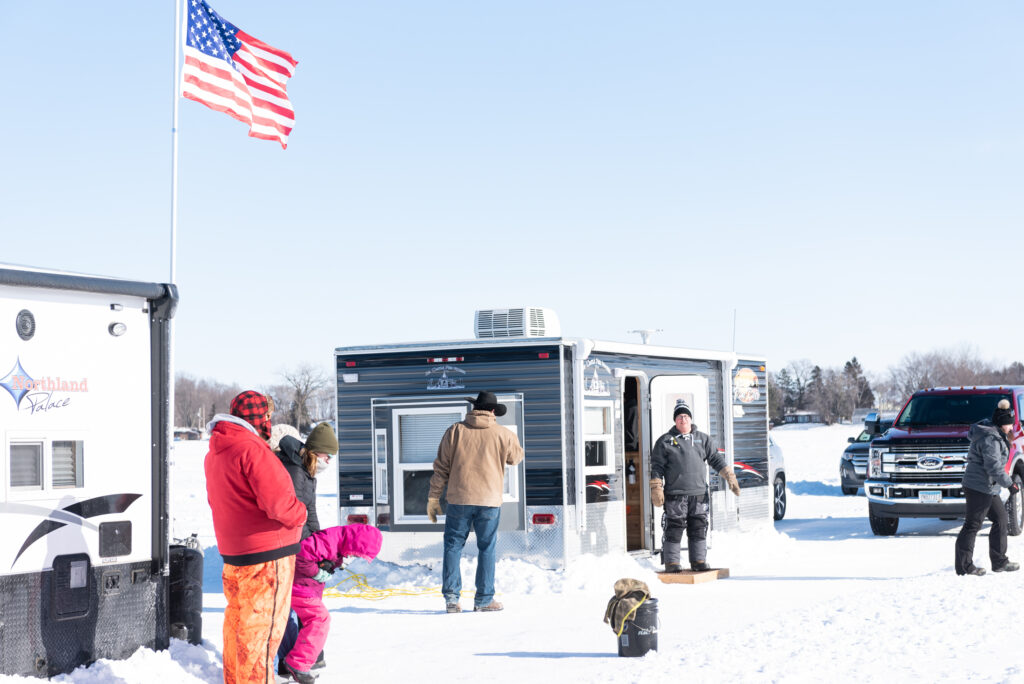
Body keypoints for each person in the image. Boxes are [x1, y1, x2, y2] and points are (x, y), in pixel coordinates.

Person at [205, 390, 306, 684]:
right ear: (257, 418)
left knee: (238, 624)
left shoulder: (217, 450)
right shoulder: (252, 449)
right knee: (262, 632)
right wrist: (300, 513)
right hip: (267, 557)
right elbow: (279, 505)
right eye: (266, 416)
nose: (269, 422)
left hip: (235, 554)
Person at [426, 390, 524, 613]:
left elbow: (441, 468)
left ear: (473, 409)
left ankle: (452, 599)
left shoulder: (455, 431)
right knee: (486, 548)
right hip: (489, 501)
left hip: (459, 500)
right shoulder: (504, 434)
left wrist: (433, 497)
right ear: (492, 411)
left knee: (453, 547)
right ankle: (483, 600)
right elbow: (516, 458)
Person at [274, 422, 339, 676]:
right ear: (315, 451)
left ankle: (305, 654)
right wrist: (310, 553)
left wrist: (321, 547)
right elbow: (295, 518)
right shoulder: (295, 471)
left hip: (297, 545)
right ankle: (291, 659)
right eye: (327, 456)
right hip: (284, 547)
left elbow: (311, 515)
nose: (329, 462)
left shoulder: (307, 470)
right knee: (292, 607)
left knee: (303, 599)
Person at [284, 524, 383, 684]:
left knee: (310, 620)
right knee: (319, 619)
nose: (353, 557)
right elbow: (301, 557)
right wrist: (317, 572)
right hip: (299, 586)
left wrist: (331, 565)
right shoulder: (328, 541)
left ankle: (304, 658)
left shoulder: (338, 542)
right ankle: (297, 664)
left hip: (307, 586)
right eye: (356, 553)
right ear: (354, 542)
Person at [649, 399, 740, 573]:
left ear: (690, 419)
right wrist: (656, 487)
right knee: (674, 528)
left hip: (699, 494)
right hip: (675, 495)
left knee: (698, 527)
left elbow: (715, 459)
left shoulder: (703, 439)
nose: (683, 419)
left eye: (685, 416)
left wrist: (729, 476)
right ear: (675, 420)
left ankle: (698, 561)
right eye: (679, 417)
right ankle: (672, 563)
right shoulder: (665, 441)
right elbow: (657, 467)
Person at [954, 399, 1021, 576]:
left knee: (1000, 519)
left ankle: (999, 561)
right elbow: (993, 466)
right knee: (972, 525)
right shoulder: (991, 438)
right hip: (978, 487)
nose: (1011, 428)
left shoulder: (996, 435)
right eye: (1009, 424)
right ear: (1001, 423)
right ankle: (964, 566)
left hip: (989, 487)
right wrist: (1009, 484)